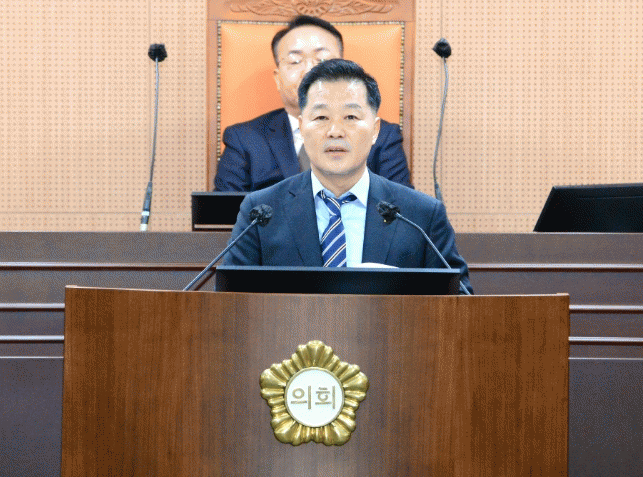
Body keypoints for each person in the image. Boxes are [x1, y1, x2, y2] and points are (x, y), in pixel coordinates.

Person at [223, 59, 472, 294]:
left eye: (351, 117)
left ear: (375, 130)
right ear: (301, 127)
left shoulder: (421, 216)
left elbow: (459, 302)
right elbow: (229, 302)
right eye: (321, 117)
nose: (335, 131)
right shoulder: (262, 212)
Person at [214, 15, 412, 192]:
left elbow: (402, 209)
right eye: (295, 61)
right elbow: (223, 216)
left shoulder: (382, 136)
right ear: (278, 79)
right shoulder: (244, 140)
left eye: (322, 60)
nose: (309, 70)